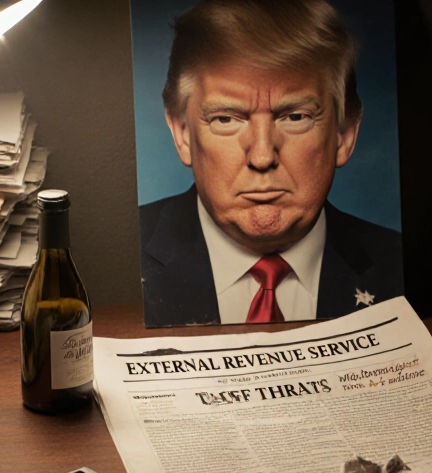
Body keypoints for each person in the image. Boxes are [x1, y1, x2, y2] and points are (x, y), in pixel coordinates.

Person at [139, 0, 403, 327]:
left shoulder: (399, 265)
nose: (262, 157)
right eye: (225, 119)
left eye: (295, 117)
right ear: (182, 134)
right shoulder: (126, 260)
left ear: (345, 135)